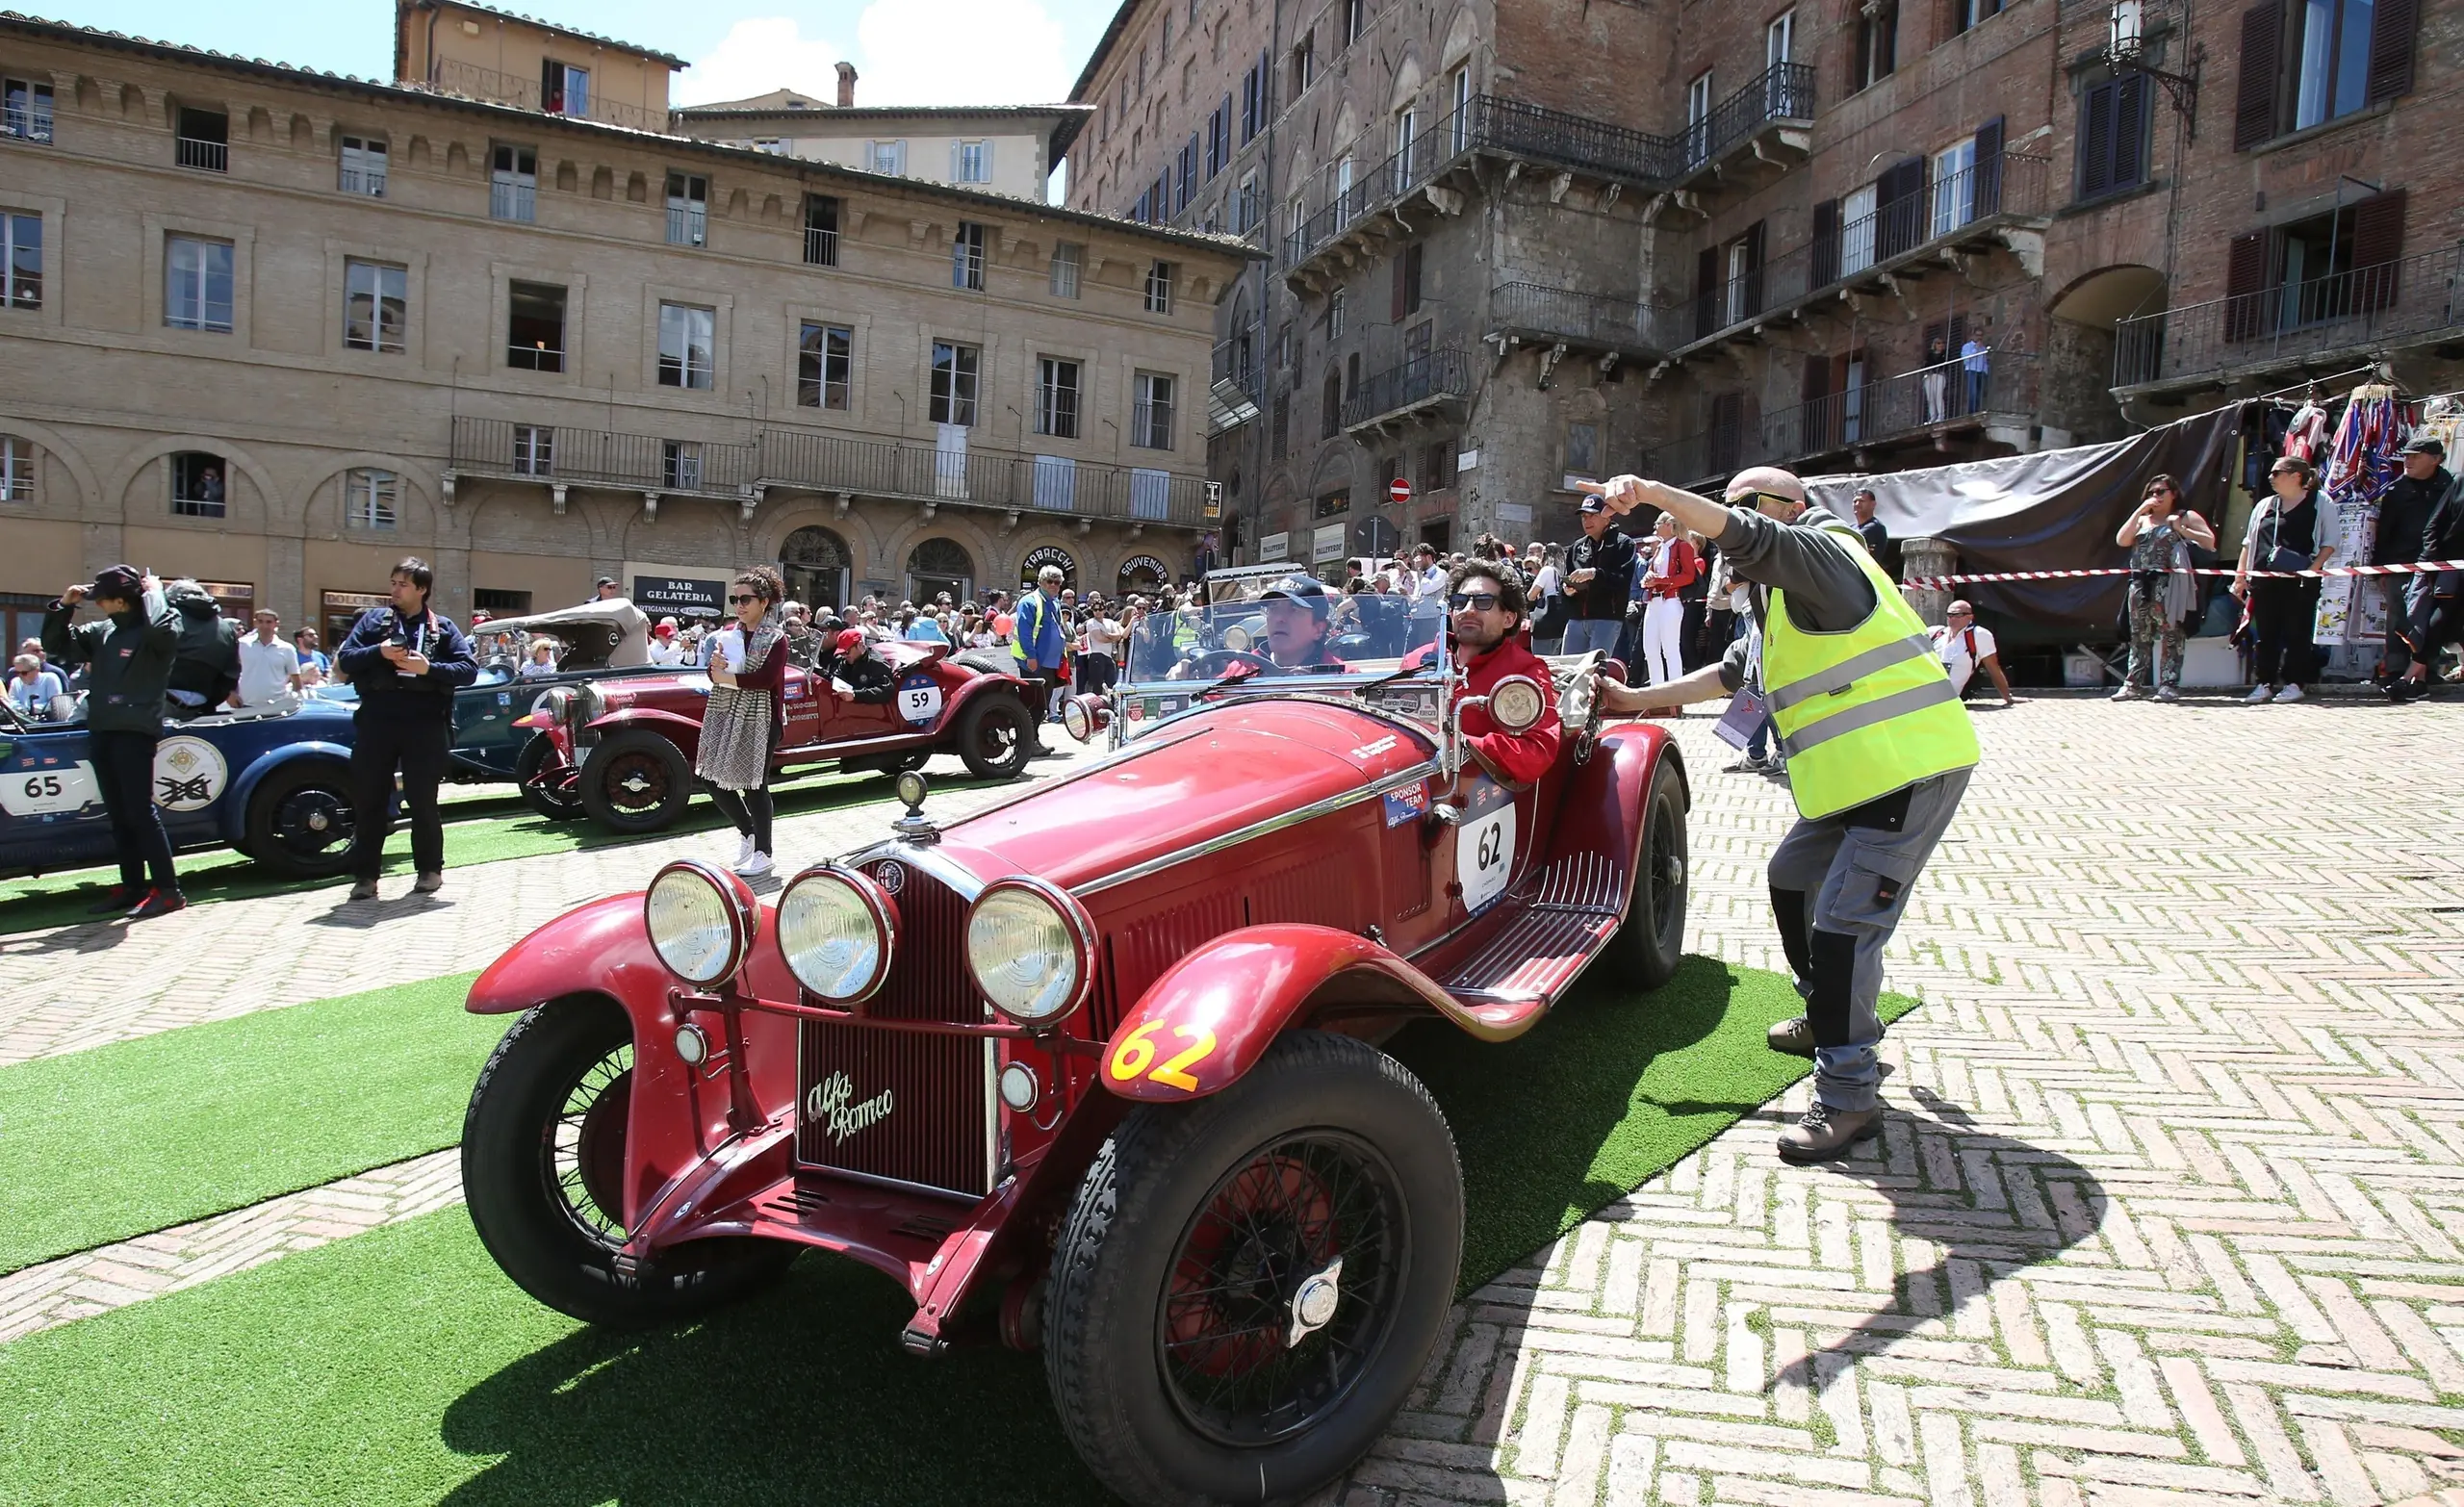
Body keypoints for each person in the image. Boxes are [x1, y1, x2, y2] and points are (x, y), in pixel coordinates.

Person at [1584, 466, 1979, 1163]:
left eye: (1743, 506)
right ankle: (1827, 1013)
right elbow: (1729, 677)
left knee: (1845, 929)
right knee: (1791, 878)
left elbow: (1749, 535)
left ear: (1789, 509)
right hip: (1855, 779)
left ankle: (1849, 1095)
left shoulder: (1823, 551)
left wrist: (1650, 491)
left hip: (1908, 769)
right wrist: (1632, 701)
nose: (1728, 519)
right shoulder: (1773, 599)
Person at [43, 567, 185, 917]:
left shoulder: (157, 625)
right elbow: (55, 645)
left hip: (135, 730)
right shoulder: (103, 630)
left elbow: (165, 634)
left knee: (140, 812)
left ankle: (169, 890)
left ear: (120, 601)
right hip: (104, 728)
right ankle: (133, 885)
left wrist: (155, 593)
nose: (97, 604)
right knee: (120, 814)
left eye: (101, 599)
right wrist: (64, 607)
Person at [336, 557, 477, 900]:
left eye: (403, 584)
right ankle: (365, 876)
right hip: (378, 718)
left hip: (424, 721)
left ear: (421, 590)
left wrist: (428, 668)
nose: (395, 590)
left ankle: (430, 870)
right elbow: (346, 659)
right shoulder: (373, 621)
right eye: (393, 582)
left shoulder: (441, 627)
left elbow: (467, 670)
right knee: (370, 798)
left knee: (422, 799)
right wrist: (379, 651)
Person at [1440, 558, 1561, 790]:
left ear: (1509, 618)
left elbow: (1535, 753)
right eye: (1460, 601)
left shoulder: (1525, 672)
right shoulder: (1421, 660)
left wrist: (1459, 744)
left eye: (1483, 602)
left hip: (1469, 794)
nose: (1468, 610)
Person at [698, 566, 788, 877]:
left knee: (753, 784)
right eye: (734, 599)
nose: (739, 605)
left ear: (764, 602)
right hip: (726, 713)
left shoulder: (776, 639)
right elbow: (715, 674)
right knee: (710, 776)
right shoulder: (729, 634)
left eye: (745, 599)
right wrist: (716, 669)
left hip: (763, 718)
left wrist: (725, 676)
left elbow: (765, 679)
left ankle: (764, 852)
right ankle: (749, 832)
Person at [2232, 455, 2333, 703]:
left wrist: (2311, 570)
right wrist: (2240, 576)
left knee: (2297, 632)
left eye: (2276, 473)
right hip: (2264, 580)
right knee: (2266, 633)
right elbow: (2249, 543)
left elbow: (2330, 542)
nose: (2271, 477)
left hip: (2299, 580)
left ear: (2296, 476)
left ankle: (2295, 682)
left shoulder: (2320, 503)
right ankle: (2263, 682)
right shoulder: (2266, 505)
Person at [2112, 474, 2215, 701]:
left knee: (2172, 634)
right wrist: (2140, 510)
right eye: (2151, 492)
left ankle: (2168, 684)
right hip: (2140, 584)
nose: (2155, 496)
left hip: (2170, 585)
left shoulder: (2185, 516)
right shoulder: (2142, 520)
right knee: (2139, 636)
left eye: (2161, 491)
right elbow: (2122, 540)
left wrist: (2181, 529)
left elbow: (2209, 542)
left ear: (2173, 493)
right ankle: (2133, 684)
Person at [2374, 436, 2451, 686]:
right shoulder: (2397, 490)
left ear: (2436, 459)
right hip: (2400, 564)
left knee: (2432, 620)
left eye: (2415, 456)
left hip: (2439, 566)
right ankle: (2396, 670)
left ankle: (2427, 669)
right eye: (2406, 456)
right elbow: (2384, 532)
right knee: (2399, 618)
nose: (2408, 461)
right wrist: (2380, 569)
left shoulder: (2450, 487)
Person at [2389, 469, 2464, 702]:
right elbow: (2434, 525)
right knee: (2437, 620)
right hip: (2450, 568)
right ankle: (2414, 678)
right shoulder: (2460, 482)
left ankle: (2413, 679)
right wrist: (2429, 563)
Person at [1562, 497, 1638, 656]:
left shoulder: (1624, 544)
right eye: (1584, 516)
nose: (1587, 521)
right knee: (1567, 670)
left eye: (1593, 515)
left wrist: (1594, 574)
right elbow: (1567, 577)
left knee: (1595, 670)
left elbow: (1623, 581)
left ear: (1607, 517)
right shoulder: (1577, 546)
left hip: (1606, 618)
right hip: (1576, 618)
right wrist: (1567, 590)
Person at [1637, 511, 1702, 687]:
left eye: (1658, 523)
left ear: (1669, 525)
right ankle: (1656, 690)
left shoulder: (1683, 546)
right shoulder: (1660, 547)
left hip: (1671, 601)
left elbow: (1688, 576)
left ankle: (1675, 692)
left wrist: (1660, 580)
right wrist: (1649, 579)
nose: (1655, 527)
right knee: (1650, 649)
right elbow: (1652, 571)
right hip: (1654, 601)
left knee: (1670, 648)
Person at [160, 579, 240, 720]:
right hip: (201, 710)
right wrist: (208, 703)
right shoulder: (226, 629)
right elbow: (230, 675)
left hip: (159, 705)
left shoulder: (166, 619)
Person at [1011, 566, 1070, 734]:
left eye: (1057, 582)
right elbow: (1025, 631)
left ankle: (1033, 739)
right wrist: (1031, 656)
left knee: (1042, 705)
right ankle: (1028, 742)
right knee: (1033, 705)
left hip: (1050, 664)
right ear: (1041, 582)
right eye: (1049, 581)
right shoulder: (1029, 601)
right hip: (1035, 662)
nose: (1053, 585)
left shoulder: (1055, 603)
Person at [1932, 601, 2015, 706]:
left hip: (1947, 701)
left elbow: (1993, 667)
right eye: (1950, 615)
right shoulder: (1936, 633)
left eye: (1958, 615)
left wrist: (2007, 696)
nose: (1952, 618)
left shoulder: (1979, 635)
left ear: (1970, 617)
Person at [1256, 575, 1348, 670]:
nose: (1279, 618)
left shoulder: (1343, 678)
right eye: (1273, 607)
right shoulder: (1242, 672)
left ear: (1318, 629)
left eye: (1293, 610)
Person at [232, 608, 301, 707]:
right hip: (245, 704)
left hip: (277, 706)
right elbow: (230, 671)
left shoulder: (287, 649)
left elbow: (296, 680)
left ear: (276, 624)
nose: (264, 626)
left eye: (269, 622)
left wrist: (295, 702)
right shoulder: (242, 645)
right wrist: (231, 693)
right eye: (260, 622)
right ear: (255, 623)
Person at [821, 626, 896, 704]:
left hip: (873, 713)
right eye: (841, 653)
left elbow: (886, 691)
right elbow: (837, 679)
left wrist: (855, 695)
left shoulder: (875, 663)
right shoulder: (845, 662)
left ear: (859, 645)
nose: (844, 656)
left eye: (846, 652)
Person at [8, 652, 64, 719]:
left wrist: (32, 709)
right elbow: (12, 702)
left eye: (24, 673)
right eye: (17, 672)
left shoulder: (50, 678)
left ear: (37, 670)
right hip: (23, 720)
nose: (20, 676)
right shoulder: (15, 682)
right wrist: (22, 709)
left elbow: (55, 703)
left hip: (47, 720)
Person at [1852, 489, 1888, 560]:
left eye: (1862, 501)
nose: (1857, 504)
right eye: (1855, 501)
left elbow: (1850, 541)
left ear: (1873, 504)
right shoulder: (1851, 527)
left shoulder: (1875, 527)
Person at [1960, 330, 1990, 413]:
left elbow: (1984, 361)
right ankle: (1971, 411)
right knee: (1972, 392)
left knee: (1979, 393)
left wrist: (1985, 372)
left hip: (1981, 372)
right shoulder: (1967, 346)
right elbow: (1966, 360)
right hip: (1971, 370)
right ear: (1972, 336)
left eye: (1981, 335)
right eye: (1977, 335)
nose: (1979, 337)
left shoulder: (1983, 348)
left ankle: (1977, 410)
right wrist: (1975, 349)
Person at [1921, 335, 1949, 423]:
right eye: (1938, 343)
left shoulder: (1945, 354)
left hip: (1939, 376)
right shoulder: (1929, 354)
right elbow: (1925, 365)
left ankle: (1941, 416)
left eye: (1942, 343)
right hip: (1929, 376)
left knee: (1938, 396)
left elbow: (1946, 365)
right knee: (1930, 398)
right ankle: (1933, 416)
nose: (1940, 345)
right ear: (1935, 345)